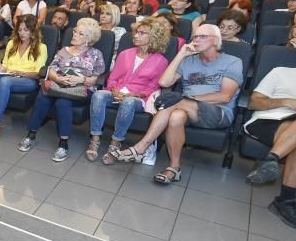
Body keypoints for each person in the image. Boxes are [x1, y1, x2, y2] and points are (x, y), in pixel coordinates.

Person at [107, 25, 243, 185]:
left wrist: (186, 99)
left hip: (217, 112)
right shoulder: (189, 61)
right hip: (184, 109)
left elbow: (224, 96)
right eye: (195, 37)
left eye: (202, 36)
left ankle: (141, 148)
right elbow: (164, 82)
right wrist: (181, 54)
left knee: (172, 101)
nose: (196, 40)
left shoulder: (233, 62)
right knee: (176, 116)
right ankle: (174, 168)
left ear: (216, 40)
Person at [243, 41, 296, 231]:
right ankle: (285, 201)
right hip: (266, 121)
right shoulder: (281, 71)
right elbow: (254, 102)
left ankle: (270, 161)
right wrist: (286, 101)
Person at [18, 18, 105, 161]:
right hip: (59, 85)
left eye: (80, 33)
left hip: (81, 90)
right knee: (42, 97)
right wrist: (57, 78)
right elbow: (50, 69)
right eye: (75, 31)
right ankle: (31, 135)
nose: (74, 35)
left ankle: (63, 144)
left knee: (62, 102)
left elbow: (97, 78)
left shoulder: (96, 54)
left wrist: (81, 79)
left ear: (88, 38)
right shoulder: (63, 51)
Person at [87, 18, 170, 164]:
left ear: (154, 37)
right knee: (99, 95)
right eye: (136, 32)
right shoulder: (125, 53)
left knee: (129, 102)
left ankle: (115, 143)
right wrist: (114, 90)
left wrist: (133, 94)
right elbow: (112, 78)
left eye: (142, 33)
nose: (136, 35)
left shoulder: (161, 61)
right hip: (116, 92)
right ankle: (95, 139)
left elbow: (153, 87)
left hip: (138, 98)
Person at [0, 15, 48, 140]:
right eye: (20, 30)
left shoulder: (41, 47)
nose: (22, 33)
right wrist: (2, 68)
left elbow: (39, 73)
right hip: (9, 75)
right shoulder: (11, 43)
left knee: (5, 81)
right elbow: (5, 63)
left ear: (33, 31)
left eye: (26, 30)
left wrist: (19, 72)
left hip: (29, 79)